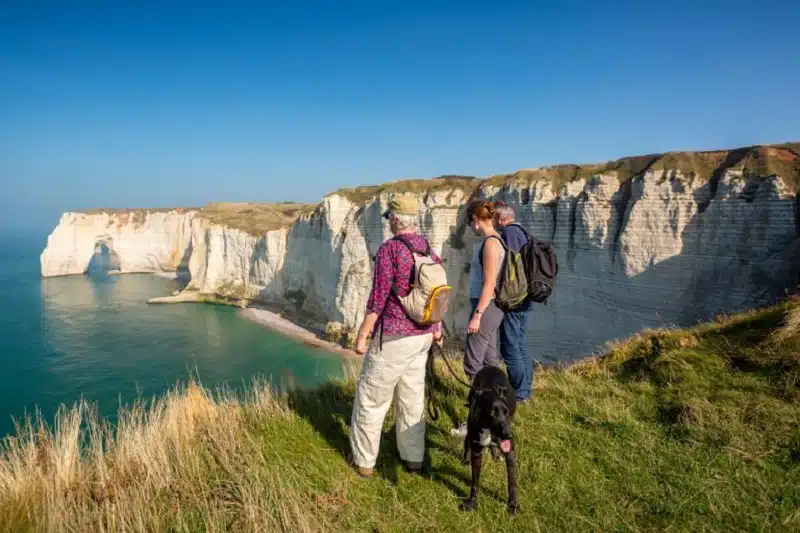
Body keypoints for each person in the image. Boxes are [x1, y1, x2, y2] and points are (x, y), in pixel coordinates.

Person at [348, 193, 444, 479]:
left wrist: (363, 334)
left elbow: (377, 298)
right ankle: (413, 459)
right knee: (412, 398)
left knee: (372, 399)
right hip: (423, 336)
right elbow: (436, 294)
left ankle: (364, 462)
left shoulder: (391, 250)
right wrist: (437, 328)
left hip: (393, 337)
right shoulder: (428, 249)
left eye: (389, 217)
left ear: (397, 220)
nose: (388, 222)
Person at [451, 199, 506, 438]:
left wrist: (477, 315)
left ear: (476, 219)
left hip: (487, 307)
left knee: (473, 365)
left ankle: (474, 422)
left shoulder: (491, 244)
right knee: (490, 362)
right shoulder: (493, 241)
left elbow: (489, 284)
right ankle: (498, 416)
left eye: (470, 220)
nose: (470, 226)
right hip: (490, 307)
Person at [493, 201, 534, 404]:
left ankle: (519, 393)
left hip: (515, 298)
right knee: (520, 343)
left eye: (494, 218)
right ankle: (525, 389)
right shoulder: (522, 231)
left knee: (510, 347)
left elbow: (508, 267)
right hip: (526, 297)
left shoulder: (509, 234)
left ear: (501, 218)